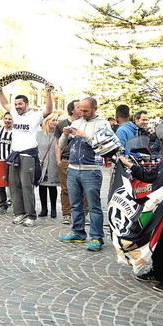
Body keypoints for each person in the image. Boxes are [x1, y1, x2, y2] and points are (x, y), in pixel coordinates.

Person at [119, 131, 163, 292]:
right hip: (159, 214)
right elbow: (148, 176)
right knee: (159, 244)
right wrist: (130, 166)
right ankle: (158, 272)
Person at [0, 85, 53, 227]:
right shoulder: (14, 114)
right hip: (14, 155)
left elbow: (49, 110)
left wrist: (48, 93)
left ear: (27, 104)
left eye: (20, 104)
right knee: (14, 185)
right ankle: (19, 213)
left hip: (28, 155)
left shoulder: (35, 115)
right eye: (15, 104)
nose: (17, 106)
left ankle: (30, 215)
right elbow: (4, 103)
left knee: (27, 186)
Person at [58, 97, 108, 251]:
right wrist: (65, 134)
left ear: (95, 109)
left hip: (91, 169)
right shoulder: (76, 122)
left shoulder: (103, 124)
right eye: (80, 109)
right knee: (75, 203)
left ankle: (97, 237)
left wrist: (84, 135)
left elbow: (105, 147)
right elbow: (61, 145)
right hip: (73, 169)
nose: (82, 113)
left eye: (86, 110)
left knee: (94, 206)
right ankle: (78, 232)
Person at [54, 100, 85, 225]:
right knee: (65, 189)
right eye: (79, 107)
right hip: (66, 160)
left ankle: (84, 213)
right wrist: (58, 161)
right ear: (72, 110)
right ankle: (66, 213)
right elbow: (57, 144)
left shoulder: (85, 123)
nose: (81, 110)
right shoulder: (62, 124)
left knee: (84, 189)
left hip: (82, 160)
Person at [36, 114, 60, 218]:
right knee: (42, 186)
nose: (55, 122)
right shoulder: (39, 134)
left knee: (52, 186)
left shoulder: (58, 134)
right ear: (47, 121)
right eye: (53, 120)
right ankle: (43, 208)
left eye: (56, 120)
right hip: (42, 163)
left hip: (53, 164)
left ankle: (53, 209)